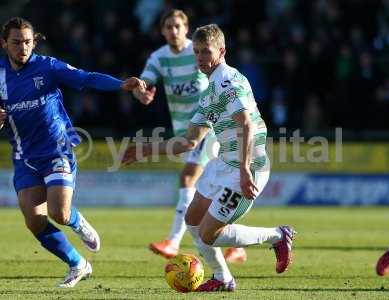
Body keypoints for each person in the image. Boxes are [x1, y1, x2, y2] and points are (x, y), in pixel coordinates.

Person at [123, 24, 296, 292]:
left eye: (206, 51)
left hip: (248, 166)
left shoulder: (227, 80)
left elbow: (246, 125)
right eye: (196, 52)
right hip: (223, 164)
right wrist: (145, 150)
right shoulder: (208, 93)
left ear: (222, 51)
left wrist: (244, 170)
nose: (200, 57)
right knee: (192, 220)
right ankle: (222, 278)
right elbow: (188, 142)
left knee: (209, 233)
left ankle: (277, 236)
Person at [0, 17, 146, 288]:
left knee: (60, 213)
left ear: (34, 42)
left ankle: (78, 223)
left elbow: (86, 78)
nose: (23, 48)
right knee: (34, 221)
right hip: (24, 156)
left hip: (57, 148)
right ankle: (78, 264)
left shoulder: (47, 66)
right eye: (16, 42)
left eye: (28, 42)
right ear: (4, 43)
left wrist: (121, 84)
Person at [132, 9, 246, 263]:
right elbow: (146, 81)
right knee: (211, 187)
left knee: (187, 178)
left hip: (210, 126)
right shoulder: (159, 57)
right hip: (184, 128)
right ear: (162, 31)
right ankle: (234, 243)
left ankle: (173, 242)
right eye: (168, 26)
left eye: (178, 26)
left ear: (186, 28)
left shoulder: (198, 52)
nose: (173, 31)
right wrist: (142, 92)